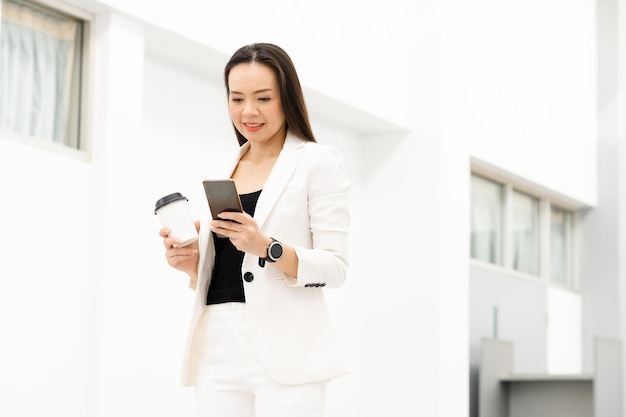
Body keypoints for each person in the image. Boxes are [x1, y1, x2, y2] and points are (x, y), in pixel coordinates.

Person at [159, 43, 351, 417]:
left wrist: (267, 246)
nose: (248, 111)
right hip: (216, 341)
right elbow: (232, 270)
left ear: (287, 99)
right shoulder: (226, 167)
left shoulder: (317, 161)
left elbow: (335, 267)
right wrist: (192, 266)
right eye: (237, 98)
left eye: (263, 98)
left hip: (289, 350)